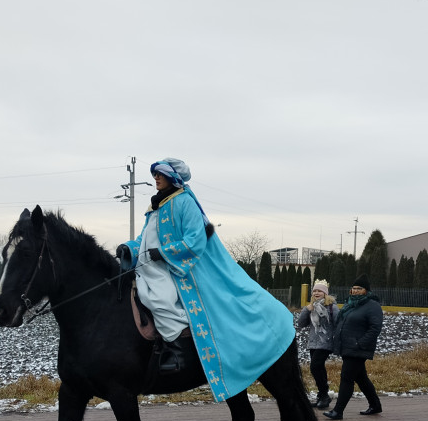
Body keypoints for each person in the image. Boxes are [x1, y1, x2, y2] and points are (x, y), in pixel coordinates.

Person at [117, 158, 295, 401]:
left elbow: (195, 240)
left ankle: (175, 350)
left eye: (160, 174)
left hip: (177, 268)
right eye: (154, 174)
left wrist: (165, 253)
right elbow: (144, 239)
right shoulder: (155, 207)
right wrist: (129, 248)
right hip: (153, 265)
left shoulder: (184, 202)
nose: (155, 178)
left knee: (158, 297)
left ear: (173, 177)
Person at [323, 274, 384, 420]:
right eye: (354, 288)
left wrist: (360, 343)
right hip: (348, 347)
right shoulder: (350, 304)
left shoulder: (372, 305)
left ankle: (338, 411)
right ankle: (375, 405)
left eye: (359, 288)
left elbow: (375, 328)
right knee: (361, 378)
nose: (355, 291)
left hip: (358, 348)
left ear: (366, 291)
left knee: (346, 378)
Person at [296, 280, 338, 409]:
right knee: (319, 368)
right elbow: (301, 323)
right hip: (313, 343)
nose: (316, 293)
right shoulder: (311, 307)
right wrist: (307, 310)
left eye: (319, 291)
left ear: (325, 293)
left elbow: (338, 323)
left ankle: (324, 395)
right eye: (314, 291)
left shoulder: (331, 307)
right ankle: (322, 396)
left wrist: (336, 340)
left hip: (325, 342)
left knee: (315, 367)